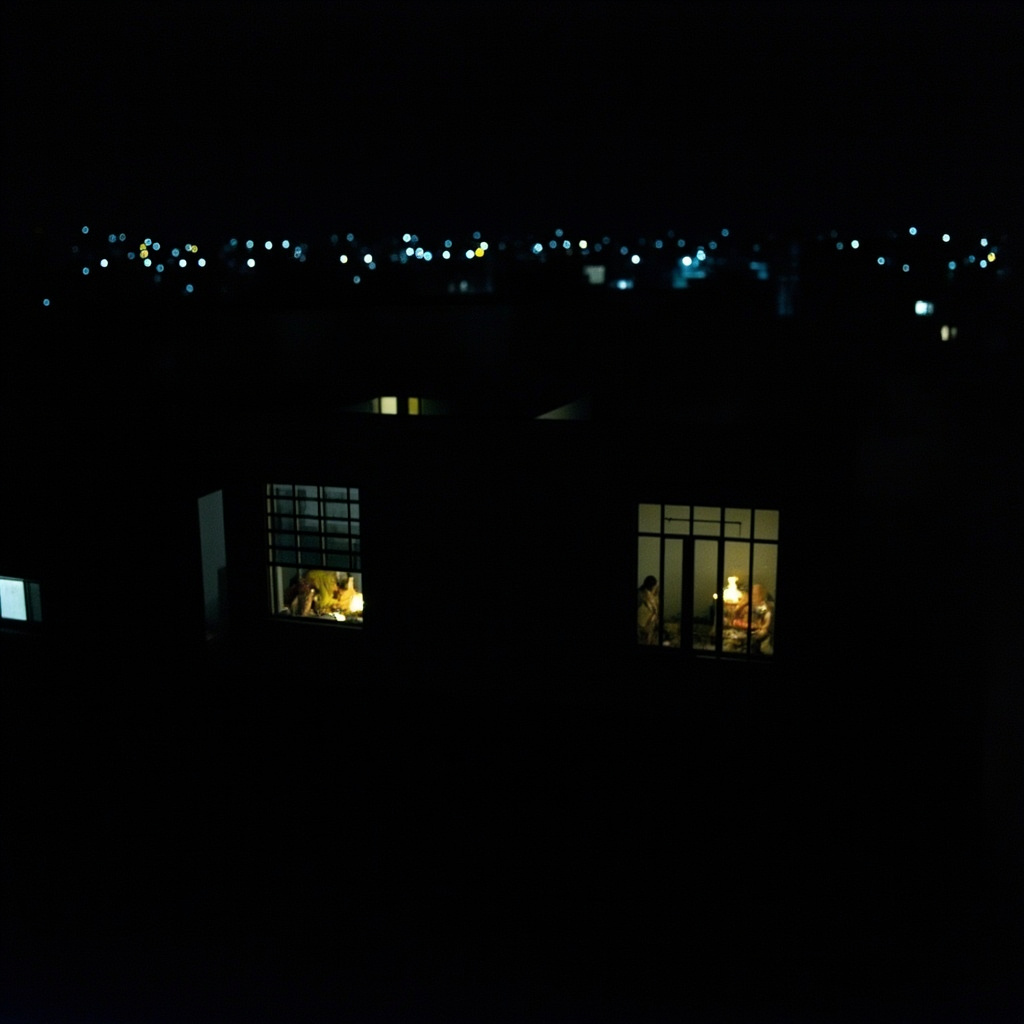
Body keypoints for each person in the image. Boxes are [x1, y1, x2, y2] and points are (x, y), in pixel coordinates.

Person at [637, 575, 659, 645]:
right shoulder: (641, 595)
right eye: (655, 586)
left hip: (648, 626)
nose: (656, 588)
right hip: (643, 626)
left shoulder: (652, 596)